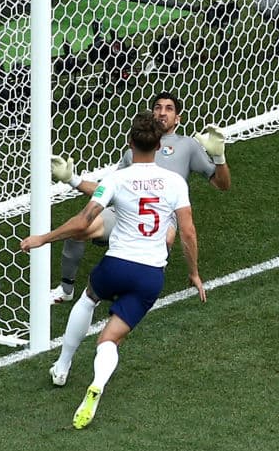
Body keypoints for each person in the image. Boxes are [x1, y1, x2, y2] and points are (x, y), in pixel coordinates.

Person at [20, 111, 207, 429]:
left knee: (89, 297)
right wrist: (193, 273)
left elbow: (83, 221)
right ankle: (97, 385)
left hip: (117, 264)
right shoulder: (175, 183)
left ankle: (63, 366)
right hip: (151, 274)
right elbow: (188, 233)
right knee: (110, 339)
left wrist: (42, 238)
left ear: (129, 142)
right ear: (160, 145)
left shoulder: (117, 180)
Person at [49, 91, 230, 304]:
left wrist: (219, 157)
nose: (162, 113)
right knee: (79, 229)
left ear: (178, 118)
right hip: (124, 211)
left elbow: (222, 184)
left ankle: (140, 285)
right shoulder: (134, 148)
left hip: (161, 215)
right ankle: (66, 289)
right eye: (157, 108)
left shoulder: (188, 145)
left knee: (166, 238)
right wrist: (72, 179)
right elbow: (107, 189)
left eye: (169, 109)